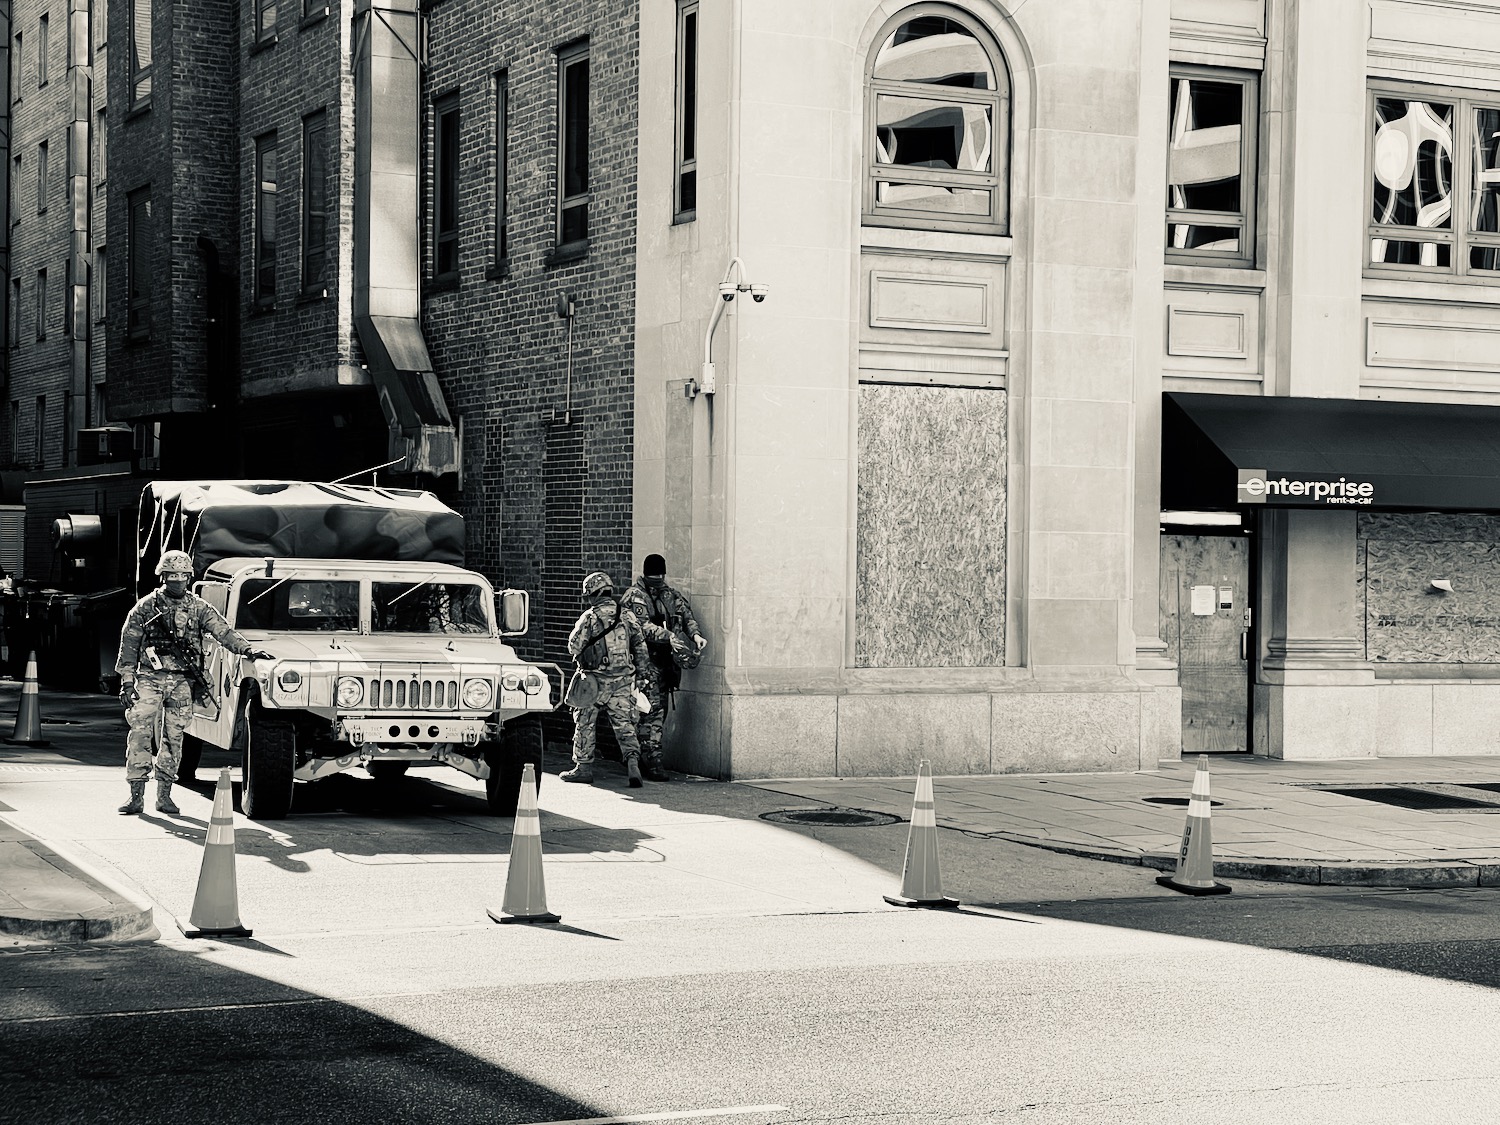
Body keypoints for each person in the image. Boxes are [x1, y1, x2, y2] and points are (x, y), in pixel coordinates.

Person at [115, 550, 274, 816]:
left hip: (181, 681)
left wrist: (248, 650)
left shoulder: (198, 607)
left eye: (182, 576)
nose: (177, 581)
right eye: (172, 576)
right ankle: (136, 794)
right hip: (149, 678)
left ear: (189, 577)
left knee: (174, 737)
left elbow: (223, 631)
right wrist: (127, 682)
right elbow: (129, 645)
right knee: (140, 733)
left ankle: (164, 795)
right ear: (162, 576)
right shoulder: (146, 607)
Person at [621, 553, 708, 781]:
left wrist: (696, 635)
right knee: (651, 712)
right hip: (643, 664)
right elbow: (641, 626)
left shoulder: (669, 594)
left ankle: (643, 756)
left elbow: (685, 615)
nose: (658, 579)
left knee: (657, 713)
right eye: (654, 576)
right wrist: (668, 635)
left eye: (660, 575)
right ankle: (651, 760)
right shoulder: (634, 596)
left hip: (665, 665)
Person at [563, 570, 651, 788]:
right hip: (623, 680)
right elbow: (640, 647)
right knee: (625, 724)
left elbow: (573, 646)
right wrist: (642, 676)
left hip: (594, 681)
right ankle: (633, 765)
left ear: (593, 594)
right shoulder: (628, 615)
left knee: (584, 722)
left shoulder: (590, 617)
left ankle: (583, 768)